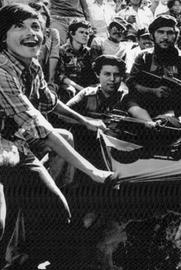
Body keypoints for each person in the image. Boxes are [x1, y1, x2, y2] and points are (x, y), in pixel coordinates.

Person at [0, 4, 112, 268]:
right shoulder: (2, 72)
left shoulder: (32, 64)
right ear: (3, 36)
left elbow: (49, 103)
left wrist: (86, 121)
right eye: (19, 27)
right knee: (1, 222)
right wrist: (93, 171)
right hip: (7, 149)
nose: (31, 33)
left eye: (35, 26)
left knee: (58, 212)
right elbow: (42, 129)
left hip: (15, 146)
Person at [125, 14, 181, 125]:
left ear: (176, 36)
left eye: (170, 33)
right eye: (160, 32)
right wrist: (153, 91)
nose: (165, 37)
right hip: (146, 105)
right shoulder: (143, 57)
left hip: (176, 108)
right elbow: (132, 83)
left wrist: (175, 94)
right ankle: (149, 123)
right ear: (152, 35)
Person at [57, 19, 97, 102]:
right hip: (68, 85)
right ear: (72, 34)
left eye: (87, 33)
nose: (85, 35)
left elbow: (94, 73)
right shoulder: (62, 51)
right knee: (70, 91)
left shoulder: (89, 52)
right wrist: (81, 89)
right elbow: (61, 76)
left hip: (85, 85)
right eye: (81, 32)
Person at [29, 2, 61, 90]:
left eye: (43, 14)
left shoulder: (53, 33)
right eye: (36, 13)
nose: (40, 16)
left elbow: (54, 57)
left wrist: (51, 81)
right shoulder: (26, 33)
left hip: (45, 77)